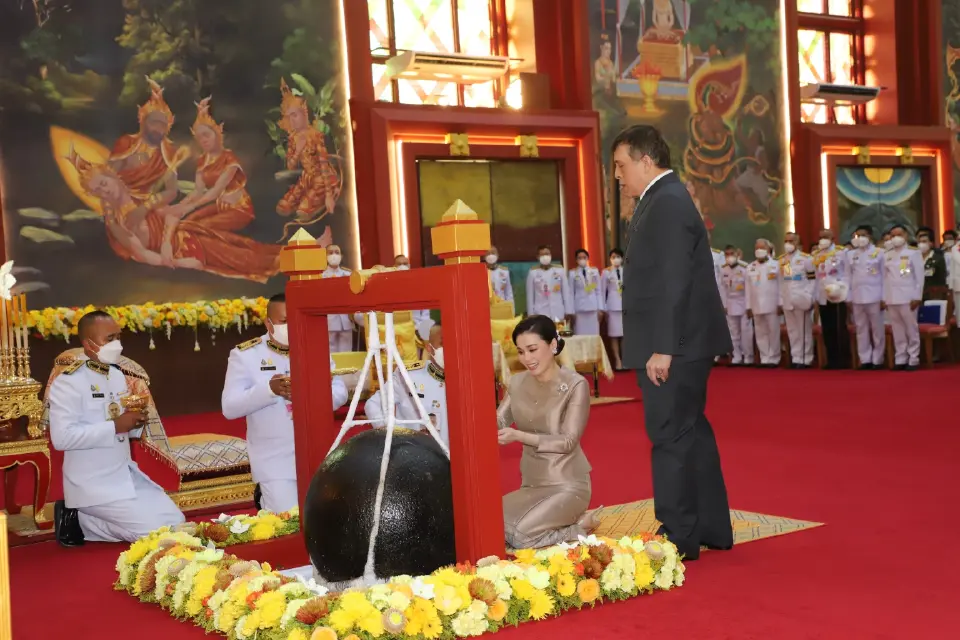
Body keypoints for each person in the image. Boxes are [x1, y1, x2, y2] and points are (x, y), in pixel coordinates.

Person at [613, 124, 733, 560]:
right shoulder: (663, 199)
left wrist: (663, 346)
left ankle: (677, 534)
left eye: (622, 166)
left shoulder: (665, 202)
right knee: (690, 431)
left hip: (674, 344)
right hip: (684, 340)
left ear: (647, 161)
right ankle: (710, 527)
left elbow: (673, 281)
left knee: (669, 435)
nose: (618, 176)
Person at [48, 310, 185, 546]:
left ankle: (85, 522)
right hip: (92, 483)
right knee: (159, 536)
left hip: (123, 476)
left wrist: (134, 423)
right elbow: (61, 438)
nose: (117, 344)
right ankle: (81, 517)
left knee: (178, 522)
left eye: (118, 337)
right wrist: (115, 426)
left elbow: (121, 428)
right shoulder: (68, 382)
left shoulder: (116, 376)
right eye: (109, 339)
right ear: (88, 344)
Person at [222, 293, 348, 512]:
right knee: (286, 520)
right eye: (283, 322)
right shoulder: (246, 355)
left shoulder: (314, 347)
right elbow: (229, 407)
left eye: (294, 320)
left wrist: (311, 395)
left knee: (325, 517)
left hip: (317, 451)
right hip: (275, 460)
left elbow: (340, 390)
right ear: (268, 324)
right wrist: (269, 390)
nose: (290, 326)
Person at [496, 315, 600, 549]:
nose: (527, 359)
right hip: (531, 485)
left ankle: (579, 527)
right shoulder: (517, 382)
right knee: (491, 523)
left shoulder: (575, 385)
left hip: (567, 485)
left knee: (520, 537)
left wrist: (519, 436)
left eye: (532, 349)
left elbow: (568, 442)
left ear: (553, 345)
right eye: (521, 352)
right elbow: (499, 420)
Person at [365, 341, 450, 448]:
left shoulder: (469, 378)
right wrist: (390, 432)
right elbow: (373, 404)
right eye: (442, 343)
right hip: (414, 452)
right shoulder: (407, 376)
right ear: (429, 347)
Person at [882, 225, 924, 371]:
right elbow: (884, 278)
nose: (895, 238)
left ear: (905, 235)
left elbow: (919, 277)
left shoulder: (913, 253)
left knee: (911, 329)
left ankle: (913, 358)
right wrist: (884, 297)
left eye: (898, 234)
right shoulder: (887, 254)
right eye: (892, 235)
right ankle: (900, 358)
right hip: (892, 297)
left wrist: (917, 296)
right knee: (897, 329)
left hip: (908, 296)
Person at [848, 225, 886, 369]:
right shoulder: (851, 255)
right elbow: (848, 276)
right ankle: (865, 359)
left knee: (877, 329)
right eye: (857, 236)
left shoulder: (879, 252)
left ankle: (878, 359)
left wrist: (884, 297)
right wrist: (849, 298)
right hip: (857, 296)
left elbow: (884, 276)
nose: (860, 238)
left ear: (870, 236)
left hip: (875, 295)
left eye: (863, 235)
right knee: (861, 329)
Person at [813, 228, 851, 368]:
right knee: (827, 329)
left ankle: (843, 359)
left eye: (826, 237)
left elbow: (847, 274)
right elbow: (817, 278)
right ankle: (832, 359)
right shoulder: (816, 255)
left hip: (838, 295)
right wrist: (816, 296)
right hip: (823, 295)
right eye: (821, 237)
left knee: (839, 327)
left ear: (833, 238)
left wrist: (843, 290)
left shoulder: (842, 252)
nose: (823, 240)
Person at [779, 233, 816, 368]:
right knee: (793, 331)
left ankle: (806, 358)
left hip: (802, 298)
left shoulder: (806, 259)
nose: (788, 243)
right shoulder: (783, 260)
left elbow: (813, 280)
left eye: (791, 241)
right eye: (786, 240)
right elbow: (785, 280)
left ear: (797, 242)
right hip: (788, 299)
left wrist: (809, 296)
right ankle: (796, 358)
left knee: (804, 330)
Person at [745, 238, 782, 367]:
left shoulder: (777, 265)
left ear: (769, 250)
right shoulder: (750, 267)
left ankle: (774, 358)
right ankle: (764, 358)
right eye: (757, 248)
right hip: (756, 305)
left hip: (772, 304)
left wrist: (780, 303)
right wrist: (748, 306)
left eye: (762, 248)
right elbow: (748, 289)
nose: (759, 251)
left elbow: (782, 286)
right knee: (760, 332)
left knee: (773, 331)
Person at [719, 244, 754, 365]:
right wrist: (724, 305)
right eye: (726, 254)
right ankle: (736, 356)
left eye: (731, 254)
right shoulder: (723, 269)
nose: (729, 257)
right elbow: (723, 289)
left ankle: (748, 357)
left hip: (744, 302)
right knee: (733, 332)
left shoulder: (745, 267)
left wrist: (749, 306)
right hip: (730, 303)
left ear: (737, 254)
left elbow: (749, 289)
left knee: (746, 332)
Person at [525, 245, 572, 323]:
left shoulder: (559, 270)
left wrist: (568, 311)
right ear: (537, 257)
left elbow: (566, 292)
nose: (545, 257)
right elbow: (530, 296)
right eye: (542, 255)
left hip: (558, 311)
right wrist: (531, 314)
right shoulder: (533, 273)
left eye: (547, 254)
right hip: (540, 312)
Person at [323, 244, 354, 353]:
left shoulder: (349, 275)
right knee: (330, 353)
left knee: (346, 352)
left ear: (341, 255)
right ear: (325, 256)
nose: (334, 255)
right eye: (330, 253)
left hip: (346, 319)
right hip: (328, 320)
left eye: (337, 252)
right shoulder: (320, 276)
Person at [568, 248, 604, 335]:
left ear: (588, 258)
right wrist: (571, 311)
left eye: (584, 257)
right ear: (576, 260)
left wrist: (600, 309)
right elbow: (571, 293)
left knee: (594, 335)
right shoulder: (572, 273)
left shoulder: (594, 271)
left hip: (593, 308)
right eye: (579, 258)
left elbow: (599, 291)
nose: (582, 259)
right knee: (580, 335)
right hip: (579, 309)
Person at [602, 249, 625, 369]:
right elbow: (601, 291)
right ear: (610, 259)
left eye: (618, 256)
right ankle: (617, 360)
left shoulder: (626, 270)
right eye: (613, 257)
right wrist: (603, 309)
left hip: (625, 306)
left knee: (625, 335)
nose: (616, 259)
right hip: (612, 306)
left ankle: (625, 358)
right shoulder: (606, 272)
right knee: (614, 335)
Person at [486, 246, 515, 315]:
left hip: (502, 307)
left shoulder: (504, 271)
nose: (491, 256)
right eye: (488, 253)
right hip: (488, 308)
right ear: (484, 256)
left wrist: (511, 310)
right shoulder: (481, 272)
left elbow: (508, 292)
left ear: (497, 255)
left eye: (493, 253)